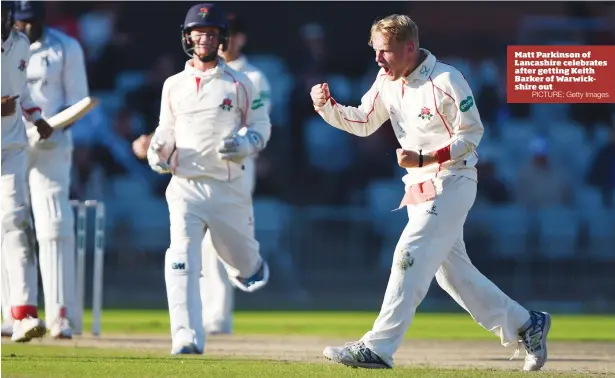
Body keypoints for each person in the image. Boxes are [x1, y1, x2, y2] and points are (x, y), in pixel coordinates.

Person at [310, 14, 551, 371]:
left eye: (386, 52)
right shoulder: (386, 79)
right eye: (375, 51)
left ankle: (377, 347)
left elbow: (471, 136)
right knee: (453, 275)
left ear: (410, 48)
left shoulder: (446, 79)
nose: (378, 59)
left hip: (453, 181)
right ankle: (526, 324)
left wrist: (425, 156)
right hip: (419, 187)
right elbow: (363, 121)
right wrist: (326, 107)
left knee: (408, 253)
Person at [132, 12, 273, 336]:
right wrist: (157, 151)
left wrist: (245, 143)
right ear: (187, 37)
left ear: (221, 37)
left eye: (211, 33)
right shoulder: (174, 85)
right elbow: (166, 130)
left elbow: (261, 126)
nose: (205, 39)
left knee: (235, 257)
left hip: (229, 182)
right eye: (198, 33)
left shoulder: (242, 82)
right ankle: (186, 334)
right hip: (186, 185)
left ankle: (249, 268)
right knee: (182, 256)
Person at [0, 1, 90, 340]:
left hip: (27, 145)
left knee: (31, 220)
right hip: (14, 141)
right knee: (4, 223)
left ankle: (45, 314)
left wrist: (39, 120)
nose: (24, 28)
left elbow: (22, 93)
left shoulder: (29, 45)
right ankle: (10, 311)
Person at [1, 1, 53, 343]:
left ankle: (23, 313)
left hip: (12, 149)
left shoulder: (20, 43)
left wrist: (36, 117)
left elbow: (22, 90)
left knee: (17, 222)